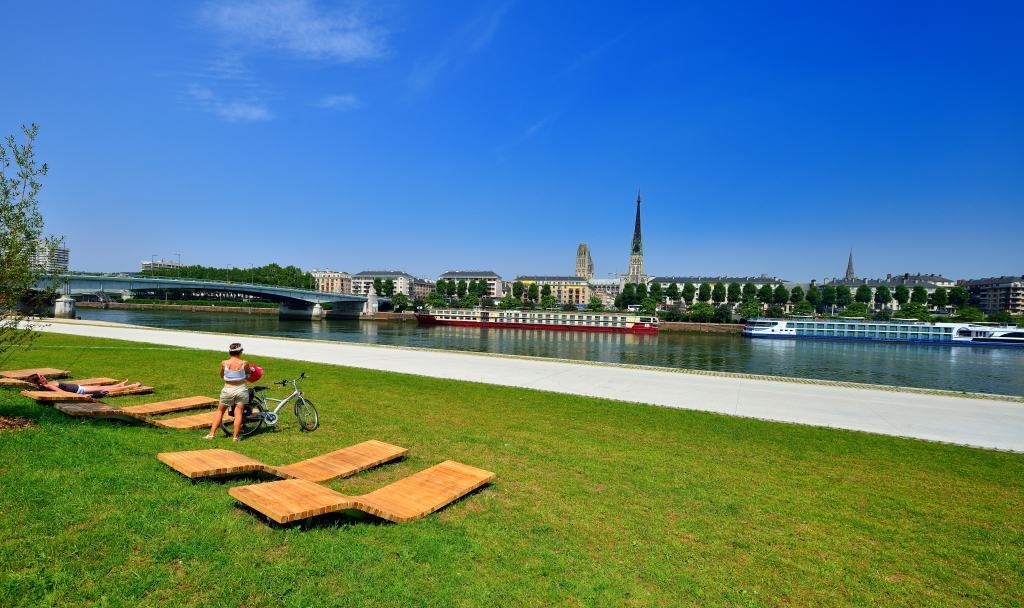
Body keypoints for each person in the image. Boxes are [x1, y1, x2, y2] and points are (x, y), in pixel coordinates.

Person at [206, 342, 255, 442]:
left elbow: (221, 375)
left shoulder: (224, 363)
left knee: (220, 411)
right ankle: (235, 437)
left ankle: (211, 434)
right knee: (238, 414)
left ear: (230, 352)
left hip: (228, 389)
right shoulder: (244, 363)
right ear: (240, 352)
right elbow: (249, 373)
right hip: (241, 389)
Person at [33, 374, 141, 397]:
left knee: (99, 387)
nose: (43, 376)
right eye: (41, 376)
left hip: (78, 388)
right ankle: (131, 386)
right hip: (79, 391)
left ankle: (120, 385)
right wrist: (79, 396)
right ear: (39, 381)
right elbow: (61, 392)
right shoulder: (49, 386)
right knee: (103, 389)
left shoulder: (48, 384)